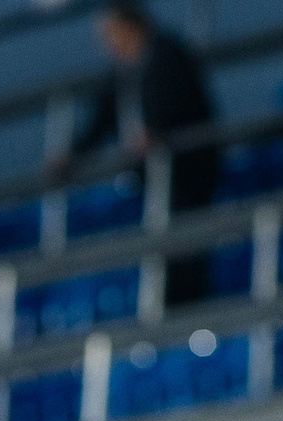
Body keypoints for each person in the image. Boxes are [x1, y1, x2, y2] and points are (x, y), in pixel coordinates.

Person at [61, 2, 220, 305]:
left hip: (186, 173)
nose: (107, 44)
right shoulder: (123, 71)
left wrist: (159, 131)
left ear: (130, 27)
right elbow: (102, 117)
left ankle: (185, 306)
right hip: (153, 180)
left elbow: (186, 108)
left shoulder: (168, 54)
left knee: (185, 247)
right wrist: (74, 155)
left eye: (111, 34)